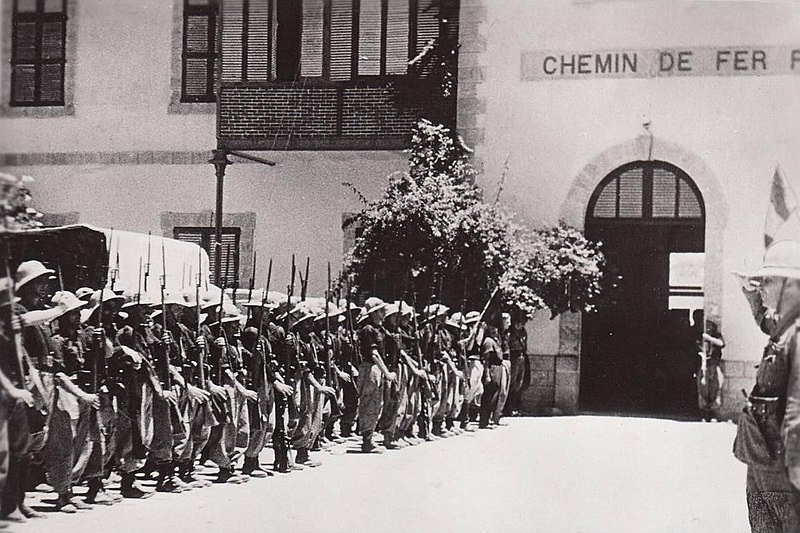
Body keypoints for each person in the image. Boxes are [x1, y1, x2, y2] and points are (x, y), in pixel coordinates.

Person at [733, 240, 800, 532]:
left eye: (768, 280)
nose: (762, 286)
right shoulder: (785, 327)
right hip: (763, 462)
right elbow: (767, 321)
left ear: (791, 286)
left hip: (784, 472)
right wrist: (751, 295)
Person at [356, 297, 395, 453]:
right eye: (381, 310)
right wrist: (386, 372)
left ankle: (370, 436)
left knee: (377, 403)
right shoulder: (368, 329)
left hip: (377, 368)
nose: (384, 312)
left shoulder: (380, 329)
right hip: (370, 368)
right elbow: (374, 354)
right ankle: (367, 440)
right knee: (369, 403)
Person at [696, 317, 725, 422]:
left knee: (715, 387)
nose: (708, 328)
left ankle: (713, 413)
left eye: (710, 326)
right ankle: (704, 413)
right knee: (703, 387)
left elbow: (722, 344)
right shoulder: (700, 337)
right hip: (704, 364)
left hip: (714, 364)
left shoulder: (717, 336)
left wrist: (709, 338)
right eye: (706, 326)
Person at [505, 312, 529, 416]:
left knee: (520, 383)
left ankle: (516, 406)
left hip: (522, 357)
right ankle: (508, 408)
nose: (522, 325)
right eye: (520, 323)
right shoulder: (510, 334)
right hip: (514, 357)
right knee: (512, 383)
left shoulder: (523, 333)